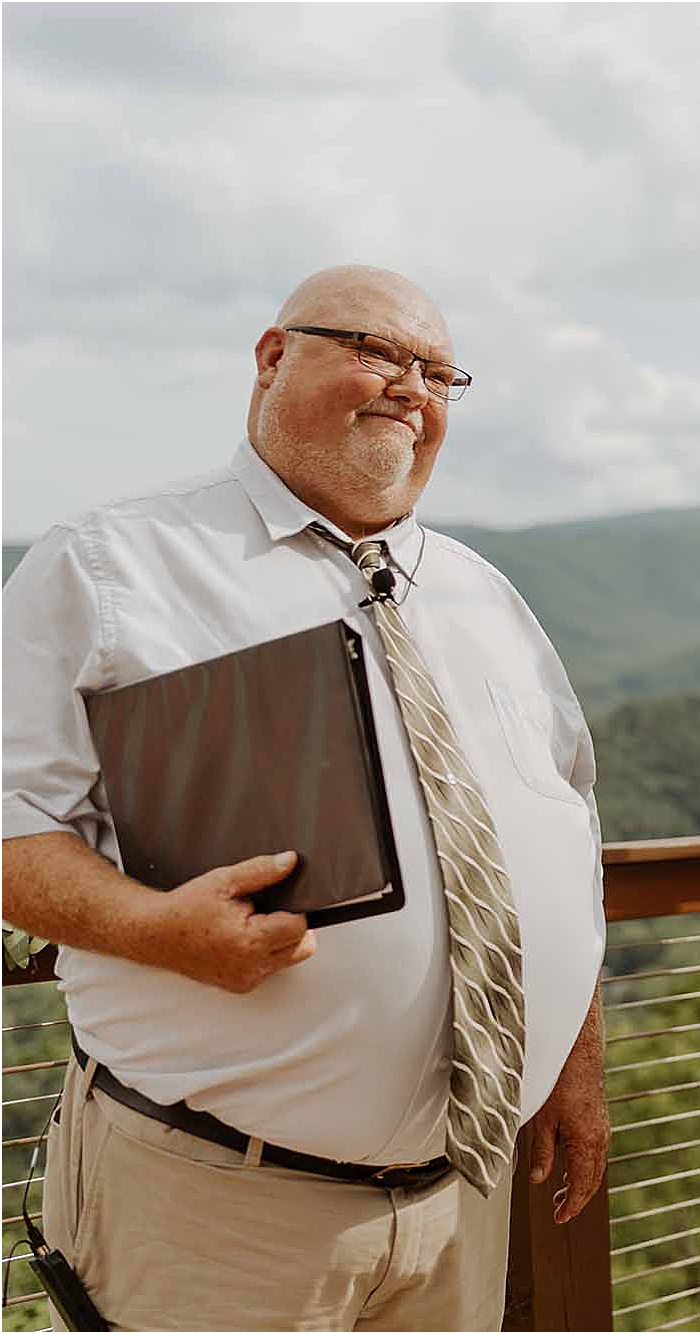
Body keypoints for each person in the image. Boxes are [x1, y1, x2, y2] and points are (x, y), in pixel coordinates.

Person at [0, 265, 608, 1330]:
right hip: (215, 1203)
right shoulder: (113, 564)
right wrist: (154, 928)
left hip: (456, 1198)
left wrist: (567, 1062)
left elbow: (566, 836)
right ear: (272, 357)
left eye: (438, 372)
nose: (410, 387)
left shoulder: (484, 592)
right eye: (375, 350)